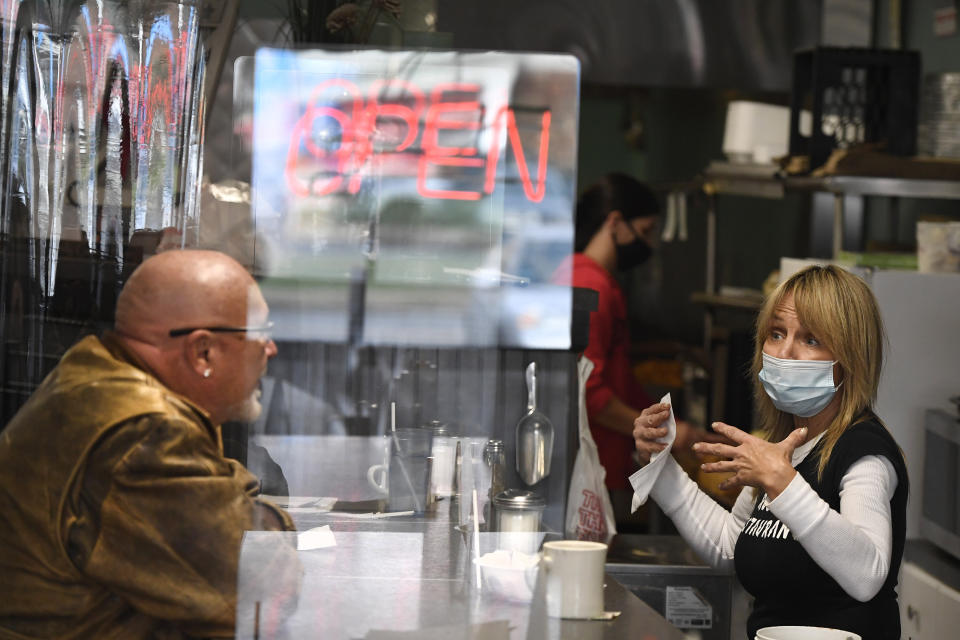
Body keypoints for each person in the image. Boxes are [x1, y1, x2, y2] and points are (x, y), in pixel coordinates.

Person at [0, 250, 299, 639]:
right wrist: (271, 523)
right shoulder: (146, 433)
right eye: (259, 332)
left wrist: (237, 509)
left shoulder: (98, 371)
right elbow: (255, 593)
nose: (270, 348)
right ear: (203, 352)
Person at [632, 264, 908, 640]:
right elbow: (731, 548)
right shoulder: (785, 445)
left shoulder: (864, 453)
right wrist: (660, 465)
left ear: (850, 358)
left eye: (811, 340)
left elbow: (868, 575)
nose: (785, 352)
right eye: (776, 334)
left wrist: (782, 482)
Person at [553, 172, 716, 526]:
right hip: (592, 465)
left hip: (601, 461)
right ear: (615, 224)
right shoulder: (589, 284)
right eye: (646, 231)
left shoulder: (587, 278)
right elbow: (589, 393)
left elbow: (610, 375)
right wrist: (662, 432)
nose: (651, 245)